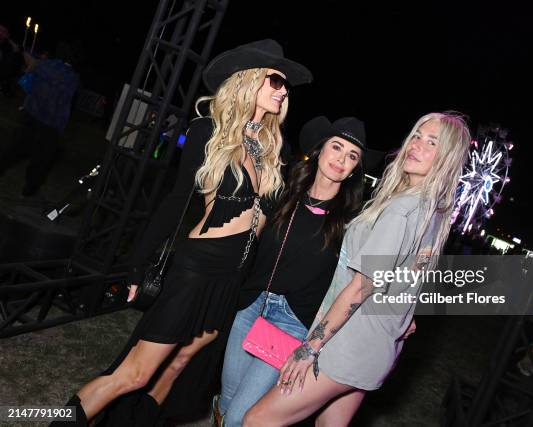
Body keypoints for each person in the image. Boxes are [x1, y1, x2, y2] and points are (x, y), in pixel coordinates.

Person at [50, 39, 311, 426]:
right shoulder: (209, 131)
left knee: (180, 365)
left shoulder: (272, 146)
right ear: (248, 80)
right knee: (135, 374)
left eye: (284, 85)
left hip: (231, 278)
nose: (283, 90)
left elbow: (268, 221)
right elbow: (174, 203)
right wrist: (136, 266)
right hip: (197, 269)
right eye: (276, 80)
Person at [244, 112, 471, 427]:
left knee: (258, 419)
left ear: (446, 159)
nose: (416, 146)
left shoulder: (401, 211)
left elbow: (360, 288)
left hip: (347, 344)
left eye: (431, 142)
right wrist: (402, 313)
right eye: (417, 136)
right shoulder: (432, 213)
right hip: (378, 348)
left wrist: (310, 348)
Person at [216, 116, 383, 426]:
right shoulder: (284, 193)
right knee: (227, 402)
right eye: (336, 147)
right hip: (251, 305)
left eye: (352, 156)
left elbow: (372, 273)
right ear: (319, 151)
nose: (341, 159)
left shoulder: (352, 223)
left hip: (292, 321)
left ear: (354, 169)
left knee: (241, 415)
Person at [0, 41, 79, 197]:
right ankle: (30, 189)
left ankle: (2, 167)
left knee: (15, 147)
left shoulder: (46, 66)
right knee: (41, 159)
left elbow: (31, 69)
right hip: (52, 123)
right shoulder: (74, 78)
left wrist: (23, 52)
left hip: (33, 114)